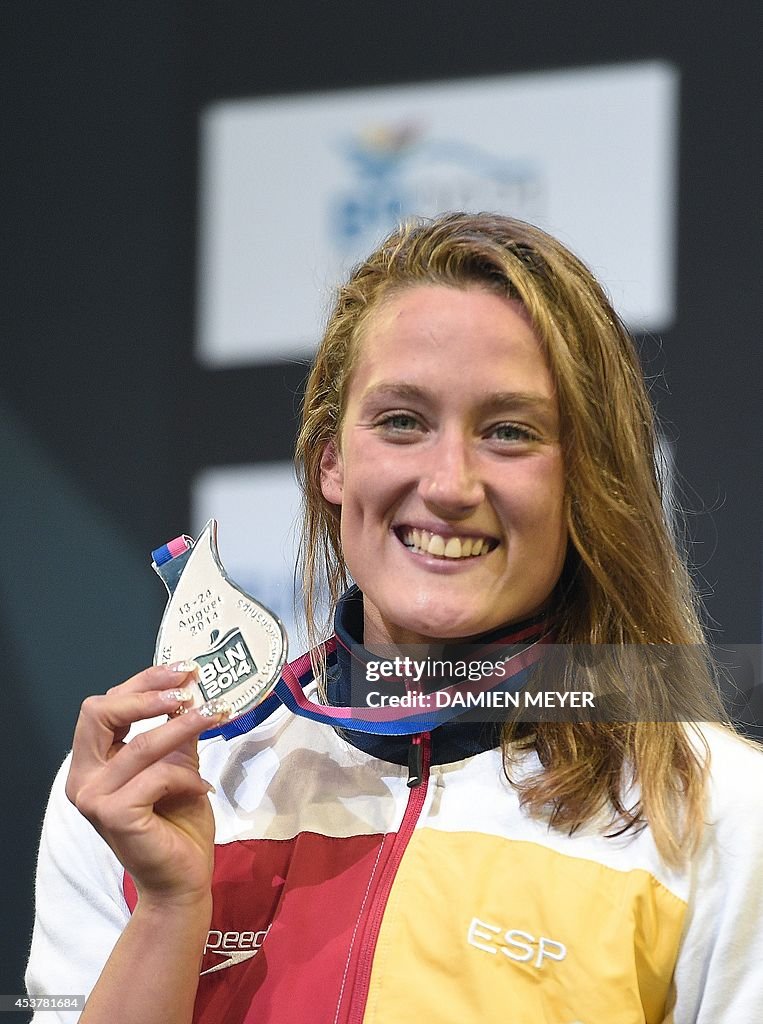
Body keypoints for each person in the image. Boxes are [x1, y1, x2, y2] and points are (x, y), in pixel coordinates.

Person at [26, 213, 763, 1024]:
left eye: (508, 432)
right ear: (331, 462)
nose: (449, 483)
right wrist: (168, 911)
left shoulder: (717, 810)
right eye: (402, 421)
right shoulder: (149, 788)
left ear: (584, 479)